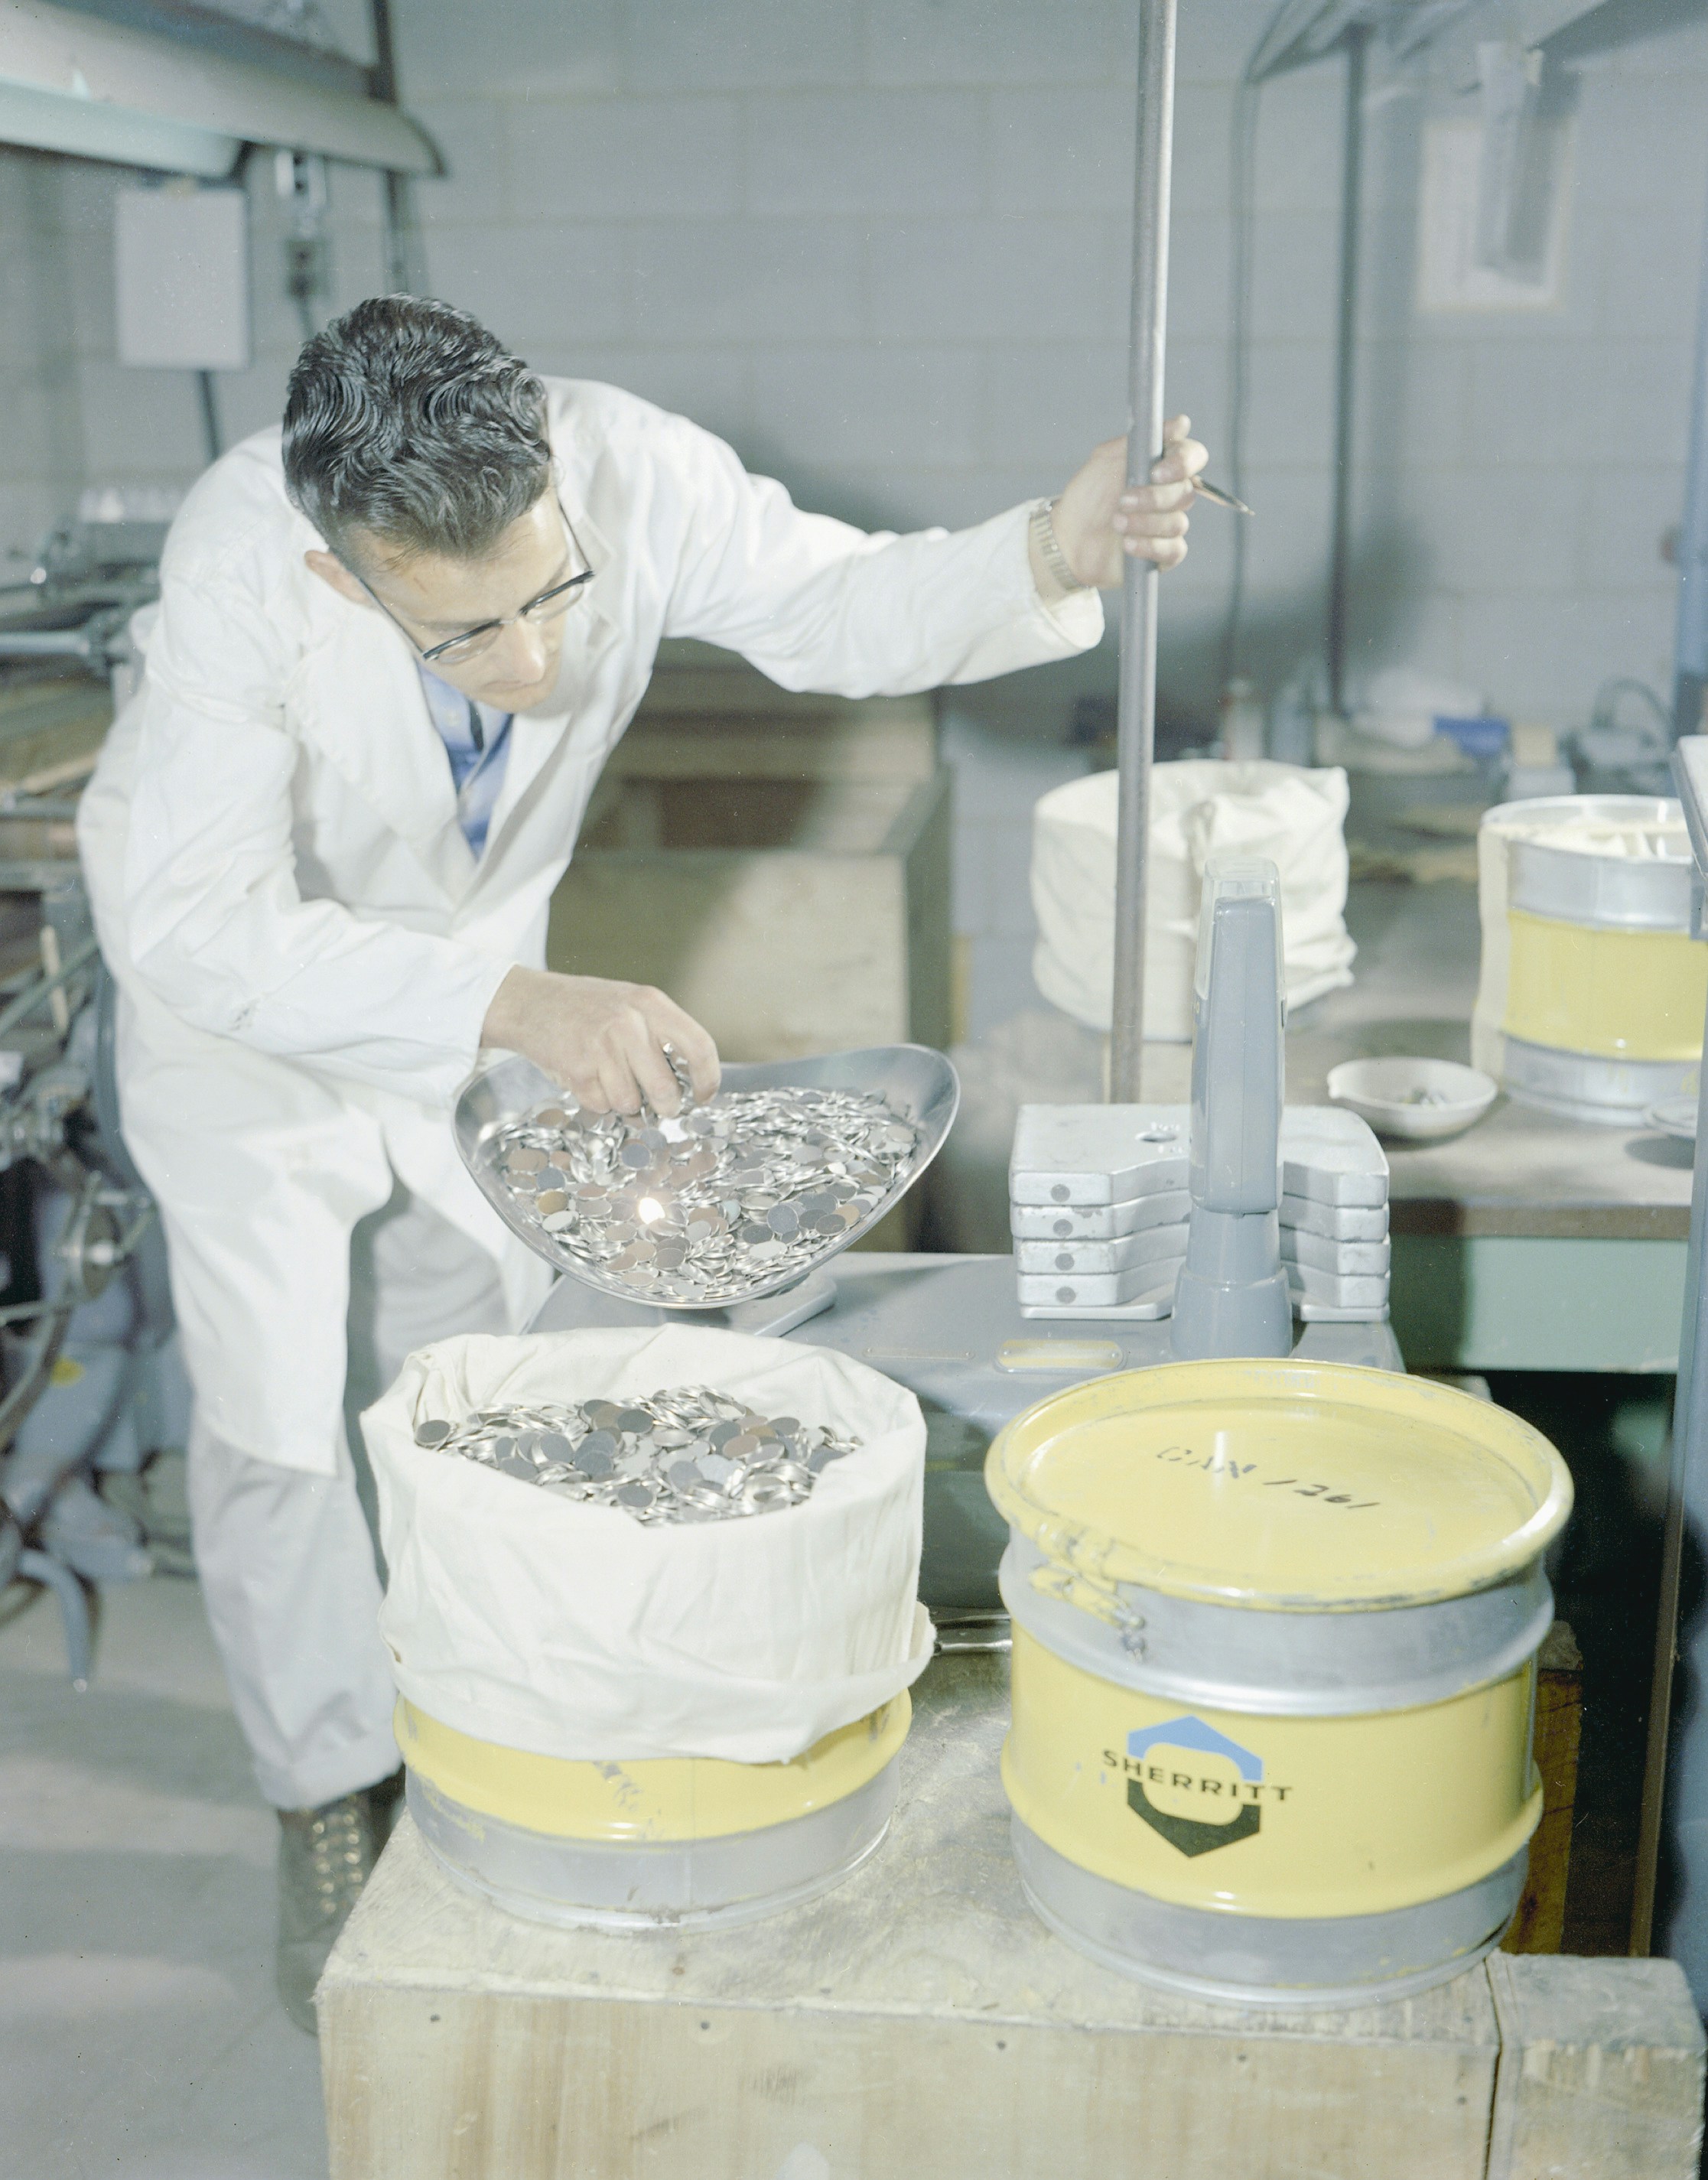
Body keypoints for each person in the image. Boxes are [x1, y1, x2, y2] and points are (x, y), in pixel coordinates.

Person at [76, 294, 1209, 2031]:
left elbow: (831, 605)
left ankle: (490, 1727)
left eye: (552, 597)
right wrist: (513, 998)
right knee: (277, 1424)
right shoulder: (246, 563)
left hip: (490, 1000)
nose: (531, 665)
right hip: (250, 1037)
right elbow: (198, 926)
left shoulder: (630, 466)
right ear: (342, 579)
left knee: (481, 1374)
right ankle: (324, 1791)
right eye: (464, 638)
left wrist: (1043, 550)